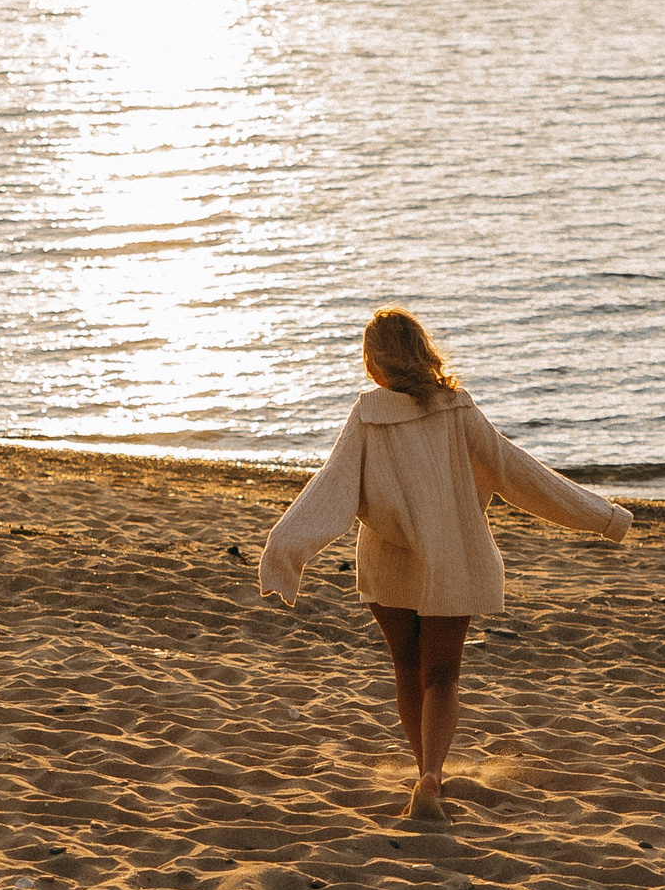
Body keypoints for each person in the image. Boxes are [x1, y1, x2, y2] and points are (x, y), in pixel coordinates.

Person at [260, 307, 633, 820]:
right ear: (422, 351)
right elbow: (517, 472)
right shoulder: (457, 408)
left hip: (389, 563)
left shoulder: (367, 413)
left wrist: (284, 552)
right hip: (455, 558)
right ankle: (432, 774)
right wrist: (604, 517)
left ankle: (423, 772)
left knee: (406, 669)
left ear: (374, 364)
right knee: (442, 675)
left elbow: (333, 489)